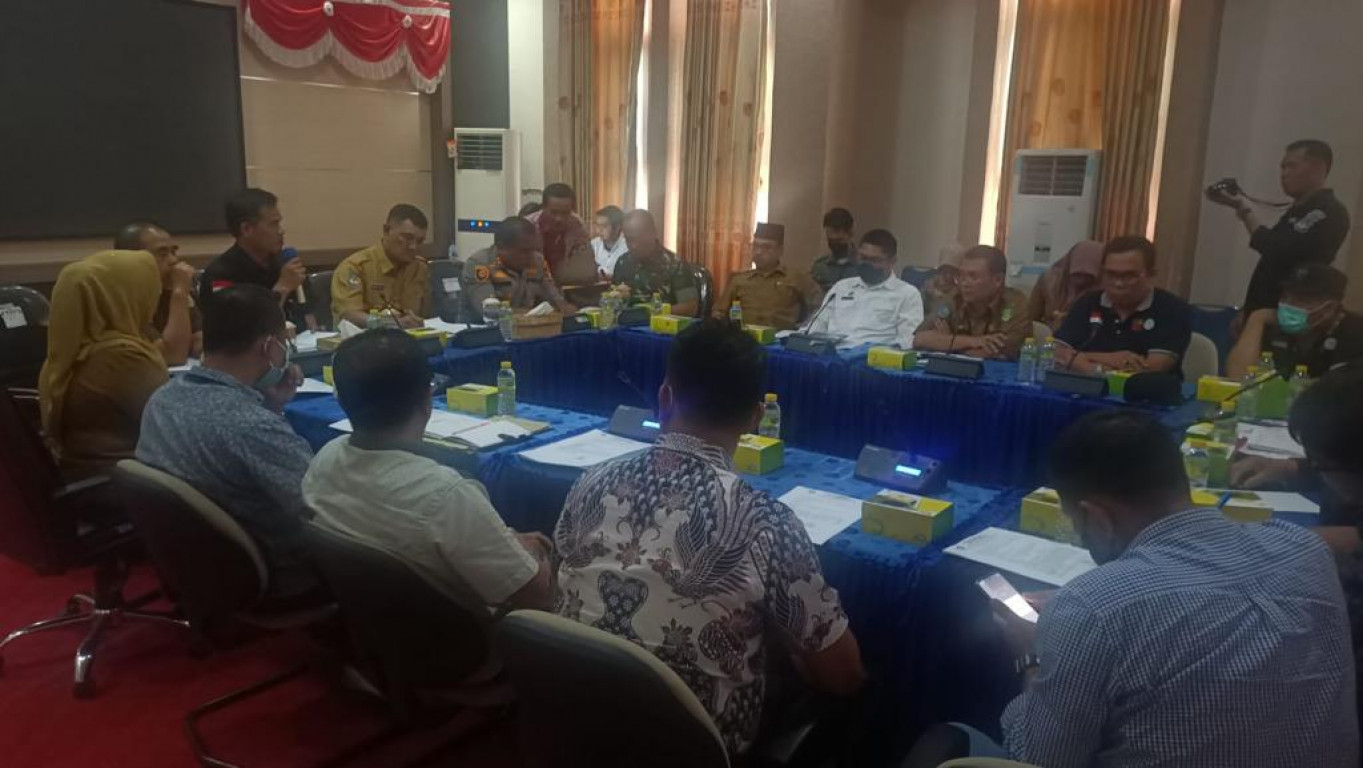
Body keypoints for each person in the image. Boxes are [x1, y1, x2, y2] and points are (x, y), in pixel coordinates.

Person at [554, 320, 865, 755]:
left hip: (572, 722)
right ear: (756, 417)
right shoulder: (765, 522)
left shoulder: (590, 482)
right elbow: (843, 676)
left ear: (665, 397)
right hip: (691, 748)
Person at [993, 410, 1357, 767]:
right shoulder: (1307, 551)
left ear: (1095, 516)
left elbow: (1036, 759)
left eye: (1077, 523)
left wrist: (1032, 658)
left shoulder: (1092, 607)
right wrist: (1077, 617)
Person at [303, 329, 552, 613]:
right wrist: (532, 554)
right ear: (427, 398)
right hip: (462, 634)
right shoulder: (445, 494)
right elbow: (536, 597)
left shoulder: (324, 458)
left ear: (341, 399)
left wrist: (503, 543)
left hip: (369, 620)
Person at [137, 285, 318, 599]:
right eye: (284, 342)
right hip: (279, 572)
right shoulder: (251, 426)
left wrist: (272, 406)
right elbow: (321, 508)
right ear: (269, 346)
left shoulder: (163, 398)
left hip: (201, 561)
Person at [39, 250, 168, 479]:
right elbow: (173, 426)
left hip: (91, 475)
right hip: (127, 482)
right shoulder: (122, 357)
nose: (155, 295)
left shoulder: (72, 350)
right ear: (122, 296)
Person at [1206, 139, 1351, 316]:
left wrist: (1243, 209)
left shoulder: (1329, 211)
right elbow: (1272, 265)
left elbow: (1274, 248)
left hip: (1287, 317)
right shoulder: (1299, 210)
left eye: (1292, 166)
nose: (1284, 174)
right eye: (1283, 167)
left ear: (1318, 168)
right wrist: (1248, 308)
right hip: (1262, 310)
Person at [1052, 235, 1191, 374]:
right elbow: (1054, 352)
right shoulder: (1088, 302)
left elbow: (1151, 369)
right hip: (1083, 386)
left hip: (1144, 388)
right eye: (1110, 274)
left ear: (1151, 274)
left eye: (1128, 276)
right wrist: (1110, 361)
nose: (1118, 283)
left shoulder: (1173, 309)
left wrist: (1081, 359)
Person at [1227, 264, 1363, 379]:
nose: (1289, 304)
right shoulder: (1270, 326)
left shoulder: (1354, 332)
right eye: (1285, 296)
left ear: (1329, 308)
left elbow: (1342, 393)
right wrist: (1257, 319)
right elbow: (1238, 378)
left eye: (1301, 298)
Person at [200, 188, 309, 327]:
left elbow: (309, 315)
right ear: (246, 229)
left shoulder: (282, 263)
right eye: (273, 224)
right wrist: (281, 289)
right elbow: (237, 329)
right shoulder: (220, 274)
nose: (281, 231)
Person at [804, 229, 924, 348]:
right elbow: (816, 326)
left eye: (874, 260)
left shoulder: (907, 294)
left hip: (873, 357)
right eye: (863, 258)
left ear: (892, 261)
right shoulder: (841, 287)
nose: (867, 265)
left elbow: (906, 341)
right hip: (831, 354)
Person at [913, 245, 1030, 360]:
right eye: (961, 276)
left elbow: (999, 353)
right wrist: (975, 341)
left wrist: (948, 343)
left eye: (973, 277)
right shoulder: (956, 297)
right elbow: (919, 339)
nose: (964, 283)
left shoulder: (1015, 303)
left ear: (998, 280)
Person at [330, 204, 431, 330]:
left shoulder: (420, 268)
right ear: (386, 230)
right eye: (407, 238)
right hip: (363, 339)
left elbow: (426, 314)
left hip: (409, 338)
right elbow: (349, 315)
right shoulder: (355, 267)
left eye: (419, 241)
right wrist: (391, 324)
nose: (413, 247)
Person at [113, 221, 201, 364]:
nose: (174, 260)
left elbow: (199, 342)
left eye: (173, 252)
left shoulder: (168, 287)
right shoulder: (121, 300)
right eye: (162, 253)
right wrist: (179, 293)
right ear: (132, 258)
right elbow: (173, 356)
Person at [710, 223, 823, 330]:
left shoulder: (796, 277)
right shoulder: (739, 280)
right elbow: (719, 312)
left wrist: (803, 329)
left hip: (780, 339)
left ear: (780, 251)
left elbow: (821, 308)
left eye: (767, 247)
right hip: (744, 338)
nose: (758, 252)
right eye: (755, 246)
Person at [461, 217, 576, 317]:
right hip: (483, 330)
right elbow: (489, 311)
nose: (531, 256)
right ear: (501, 248)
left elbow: (556, 299)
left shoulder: (537, 260)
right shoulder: (480, 265)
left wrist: (565, 308)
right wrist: (532, 314)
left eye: (534, 249)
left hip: (527, 328)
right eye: (525, 251)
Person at [611, 209, 701, 317]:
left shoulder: (675, 264)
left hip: (662, 324)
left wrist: (654, 312)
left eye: (638, 239)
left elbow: (690, 308)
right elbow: (612, 302)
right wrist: (615, 299)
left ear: (653, 233)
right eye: (628, 240)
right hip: (627, 324)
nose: (633, 246)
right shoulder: (623, 262)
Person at [1028, 239, 1102, 331]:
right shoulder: (1049, 280)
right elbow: (1031, 316)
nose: (1081, 279)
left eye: (1088, 276)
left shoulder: (1103, 289)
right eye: (1077, 274)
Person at [525, 183, 591, 278]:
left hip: (565, 279)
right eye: (554, 212)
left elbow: (585, 261)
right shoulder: (527, 226)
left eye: (565, 213)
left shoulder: (578, 225)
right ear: (543, 207)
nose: (559, 218)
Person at [811, 207, 858, 292]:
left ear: (850, 233)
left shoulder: (863, 266)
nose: (835, 245)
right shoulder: (820, 266)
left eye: (839, 240)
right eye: (831, 241)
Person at [919, 243, 967, 320]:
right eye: (945, 271)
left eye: (952, 272)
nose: (948, 276)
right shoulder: (927, 288)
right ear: (940, 270)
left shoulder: (960, 294)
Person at [590, 205, 628, 279]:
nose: (599, 230)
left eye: (604, 226)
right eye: (597, 225)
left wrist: (611, 277)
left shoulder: (627, 248)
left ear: (617, 227)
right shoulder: (593, 245)